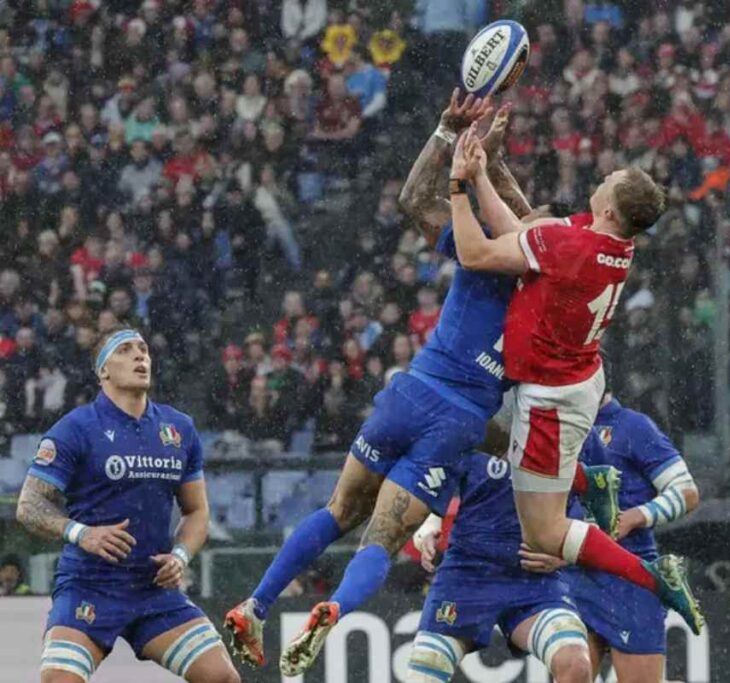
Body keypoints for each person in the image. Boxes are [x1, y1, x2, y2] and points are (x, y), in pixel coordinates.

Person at [223, 92, 615, 674]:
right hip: (457, 419)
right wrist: (492, 166)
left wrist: (450, 137)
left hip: (410, 391)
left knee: (338, 509)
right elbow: (537, 236)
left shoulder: (481, 252)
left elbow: (416, 201)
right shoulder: (552, 304)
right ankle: (334, 606)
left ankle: (255, 605)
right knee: (379, 538)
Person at [446, 124, 703, 633]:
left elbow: (477, 252)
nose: (604, 174)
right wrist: (481, 178)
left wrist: (458, 186)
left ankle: (656, 576)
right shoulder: (604, 239)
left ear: (610, 209)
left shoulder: (570, 246)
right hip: (573, 378)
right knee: (472, 427)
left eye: (612, 177)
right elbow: (519, 237)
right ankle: (591, 479)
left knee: (544, 536)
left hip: (550, 399)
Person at [15, 326, 240, 683]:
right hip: (90, 585)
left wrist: (181, 556)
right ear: (103, 370)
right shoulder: (74, 428)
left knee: (221, 678)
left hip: (153, 588)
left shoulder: (178, 428)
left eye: (143, 349)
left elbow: (197, 512)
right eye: (125, 350)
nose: (140, 356)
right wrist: (80, 533)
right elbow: (29, 505)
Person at [525, 386, 701, 682]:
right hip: (572, 578)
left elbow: (687, 492)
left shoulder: (634, 426)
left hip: (630, 582)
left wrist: (635, 517)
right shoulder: (558, 430)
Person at [408, 444, 601, 683]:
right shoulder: (476, 424)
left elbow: (602, 512)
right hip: (466, 574)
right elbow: (433, 486)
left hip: (535, 579)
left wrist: (567, 553)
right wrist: (427, 530)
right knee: (423, 674)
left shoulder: (573, 428)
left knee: (576, 665)